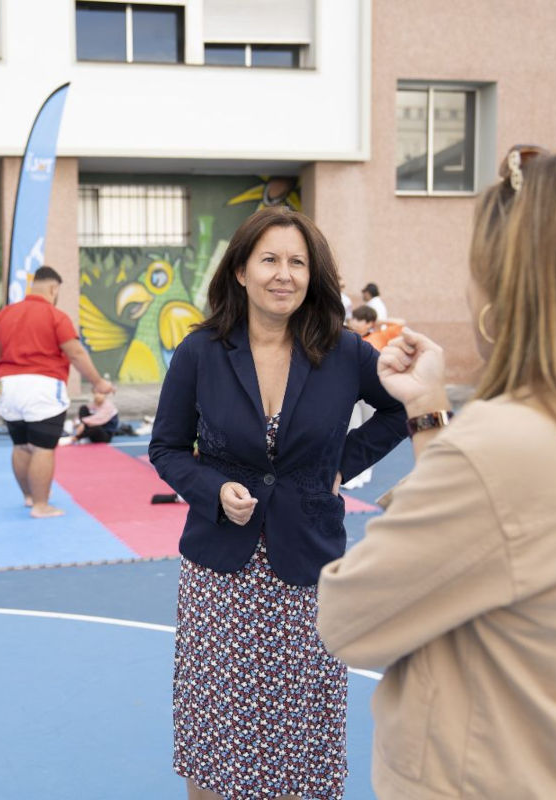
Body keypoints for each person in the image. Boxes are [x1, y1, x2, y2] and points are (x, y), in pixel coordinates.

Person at [317, 145, 556, 798]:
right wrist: (426, 410)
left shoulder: (512, 447)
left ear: (506, 287)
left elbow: (349, 618)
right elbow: (498, 545)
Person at [148, 207, 406, 800]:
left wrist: (341, 463)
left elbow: (397, 411)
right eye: (269, 259)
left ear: (313, 276)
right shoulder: (200, 352)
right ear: (240, 270)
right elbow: (166, 447)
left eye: (297, 262)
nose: (283, 274)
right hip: (219, 574)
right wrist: (212, 489)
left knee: (302, 738)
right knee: (216, 736)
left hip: (308, 567)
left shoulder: (344, 352)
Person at [0, 265, 114, 518]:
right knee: (43, 448)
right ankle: (41, 505)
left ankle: (29, 496)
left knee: (21, 446)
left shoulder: (5, 314)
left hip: (8, 386)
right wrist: (98, 382)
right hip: (42, 386)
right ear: (54, 288)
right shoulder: (56, 316)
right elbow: (75, 353)